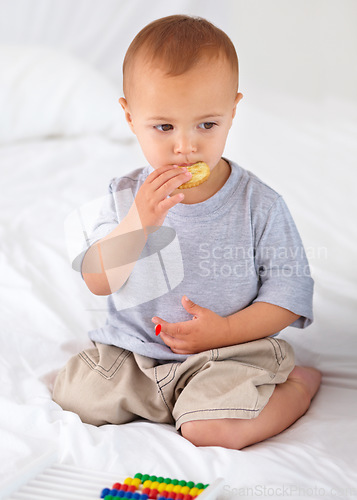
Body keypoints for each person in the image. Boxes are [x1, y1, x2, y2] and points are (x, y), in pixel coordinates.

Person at [53, 15, 321, 449]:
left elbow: (289, 295)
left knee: (209, 431)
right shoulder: (124, 196)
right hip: (137, 353)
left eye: (207, 125)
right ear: (129, 116)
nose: (186, 146)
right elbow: (98, 281)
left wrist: (227, 331)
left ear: (232, 112)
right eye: (164, 127)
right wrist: (139, 222)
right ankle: (173, 400)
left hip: (229, 353)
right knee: (75, 396)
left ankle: (298, 388)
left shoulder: (259, 204)